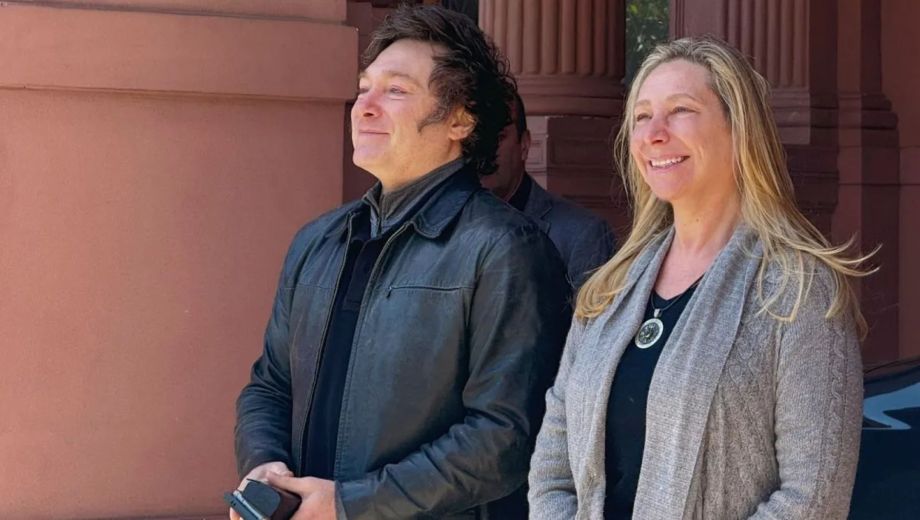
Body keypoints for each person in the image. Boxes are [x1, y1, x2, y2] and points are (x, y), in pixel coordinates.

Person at [232, 6, 570, 520]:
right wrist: (265, 469)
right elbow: (270, 384)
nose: (364, 106)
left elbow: (504, 439)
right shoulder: (318, 241)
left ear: (461, 118)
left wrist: (348, 505)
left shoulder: (507, 249)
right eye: (364, 87)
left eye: (395, 90)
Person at [528, 36, 870, 519]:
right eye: (642, 117)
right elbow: (553, 462)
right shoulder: (612, 285)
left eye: (681, 110)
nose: (654, 133)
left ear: (739, 129)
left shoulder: (797, 291)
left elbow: (813, 499)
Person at [483, 92, 616, 288]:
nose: (486, 149)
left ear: (525, 144)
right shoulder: (446, 228)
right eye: (477, 137)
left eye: (499, 136)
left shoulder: (583, 235)